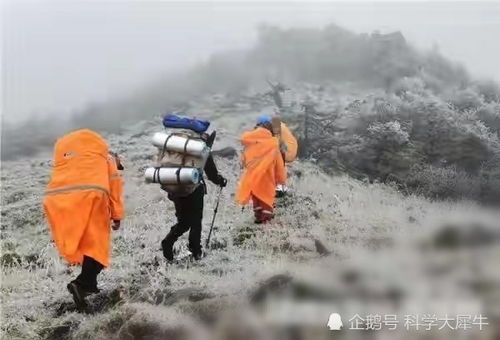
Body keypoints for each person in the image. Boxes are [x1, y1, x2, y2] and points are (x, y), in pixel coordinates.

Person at [43, 129, 124, 310]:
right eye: (120, 165)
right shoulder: (108, 160)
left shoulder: (77, 161)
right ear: (116, 158)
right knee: (99, 247)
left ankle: (89, 286)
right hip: (91, 196)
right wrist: (117, 215)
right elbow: (115, 188)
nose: (119, 168)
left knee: (89, 245)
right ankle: (81, 284)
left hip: (58, 199)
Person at [161, 150, 227, 262]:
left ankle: (170, 242)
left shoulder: (176, 143)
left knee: (183, 221)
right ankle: (195, 250)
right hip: (194, 190)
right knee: (195, 221)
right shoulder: (201, 147)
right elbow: (211, 174)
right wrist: (220, 180)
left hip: (175, 188)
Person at [236, 115, 287, 223]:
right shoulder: (273, 143)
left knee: (257, 204)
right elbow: (279, 165)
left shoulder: (250, 141)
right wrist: (281, 181)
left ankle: (258, 219)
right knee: (266, 206)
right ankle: (265, 225)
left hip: (252, 180)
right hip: (266, 181)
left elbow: (244, 161)